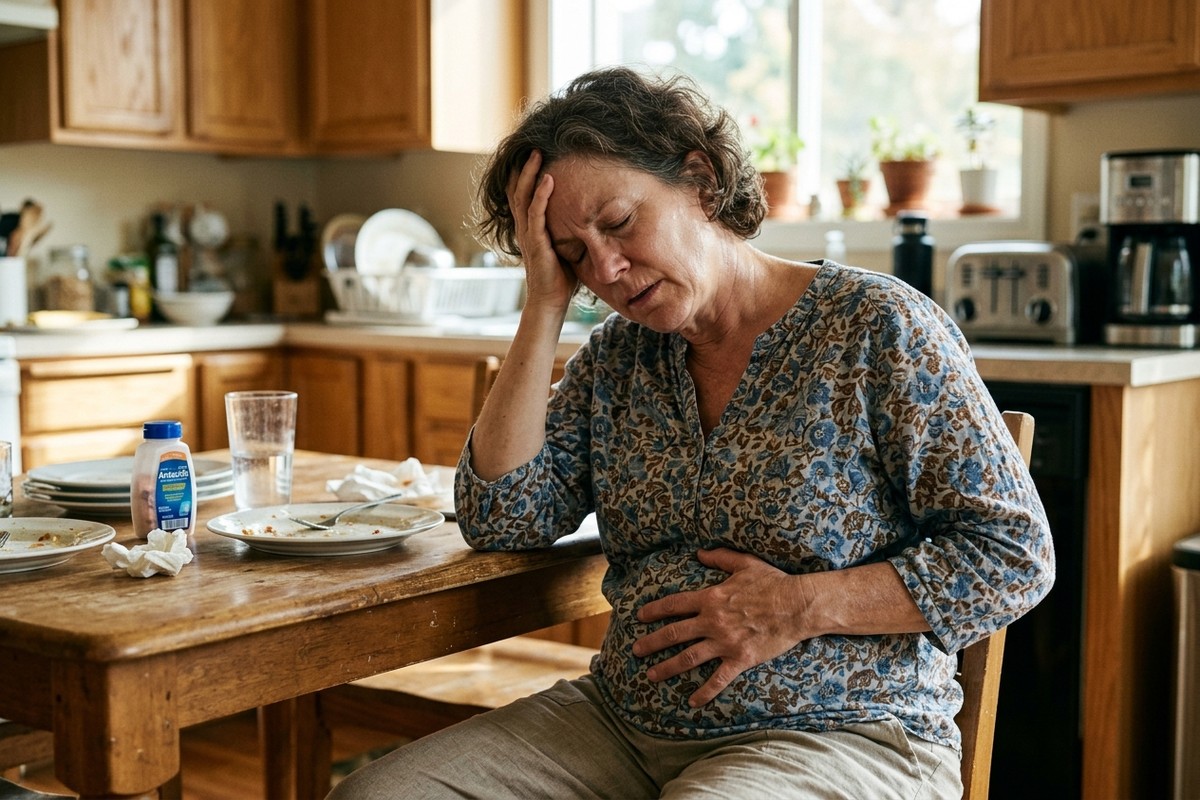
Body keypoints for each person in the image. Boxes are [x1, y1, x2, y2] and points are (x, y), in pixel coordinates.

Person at [329, 66, 1054, 800]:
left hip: (845, 733)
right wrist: (545, 301)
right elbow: (502, 517)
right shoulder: (617, 356)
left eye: (617, 223)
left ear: (699, 180)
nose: (607, 270)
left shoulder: (877, 328)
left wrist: (799, 605)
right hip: (619, 724)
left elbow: (1012, 556)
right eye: (574, 253)